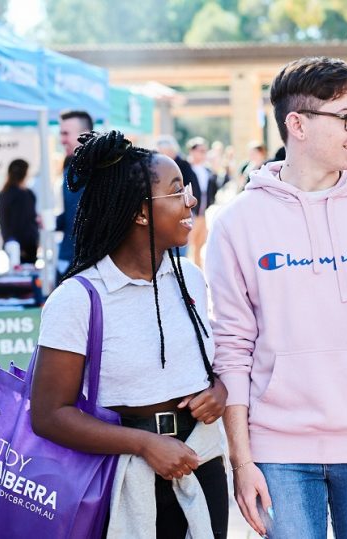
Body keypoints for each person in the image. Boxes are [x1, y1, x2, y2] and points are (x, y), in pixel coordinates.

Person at [205, 56, 347, 539]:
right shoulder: (235, 224)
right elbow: (231, 349)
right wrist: (241, 462)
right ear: (297, 124)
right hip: (277, 449)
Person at [30, 130, 229, 537]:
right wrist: (143, 444)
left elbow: (207, 366)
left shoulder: (190, 278)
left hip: (203, 463)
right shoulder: (78, 299)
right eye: (176, 192)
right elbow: (48, 415)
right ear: (140, 213)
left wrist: (219, 391)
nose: (190, 201)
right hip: (123, 477)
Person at [55, 110, 93, 280]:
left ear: (84, 135)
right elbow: (73, 212)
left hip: (87, 261)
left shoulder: (98, 169)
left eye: (66, 133)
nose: (62, 140)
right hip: (69, 256)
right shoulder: (70, 166)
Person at [0, 159, 40, 264]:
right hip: (26, 246)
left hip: (11, 242)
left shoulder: (4, 194)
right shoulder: (25, 195)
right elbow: (25, 220)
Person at [186, 137, 219, 267]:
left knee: (200, 244)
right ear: (192, 151)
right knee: (188, 244)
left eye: (205, 151)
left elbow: (214, 188)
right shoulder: (186, 168)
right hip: (189, 213)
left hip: (202, 213)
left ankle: (197, 270)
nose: (203, 153)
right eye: (200, 150)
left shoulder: (207, 170)